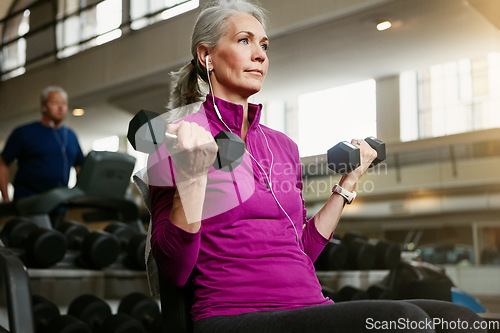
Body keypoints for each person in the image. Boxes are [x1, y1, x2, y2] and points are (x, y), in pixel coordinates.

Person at [141, 1, 487, 332]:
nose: (260, 54)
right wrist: (191, 176)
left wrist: (350, 181)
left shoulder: (283, 147)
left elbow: (301, 250)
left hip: (309, 306)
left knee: (458, 318)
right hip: (235, 314)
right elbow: (174, 271)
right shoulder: (181, 140)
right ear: (207, 56)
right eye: (244, 41)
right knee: (400, 318)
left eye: (263, 44)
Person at [0, 86, 85, 203]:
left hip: (60, 202)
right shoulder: (24, 132)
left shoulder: (70, 135)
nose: (61, 107)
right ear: (43, 107)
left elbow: (80, 166)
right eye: (55, 103)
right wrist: (5, 198)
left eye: (64, 103)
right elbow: (3, 163)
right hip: (29, 201)